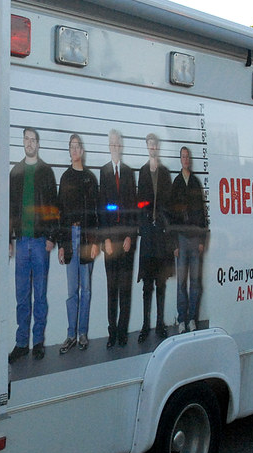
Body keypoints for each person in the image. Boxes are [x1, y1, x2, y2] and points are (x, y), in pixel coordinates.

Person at [8, 127, 58, 362]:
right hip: (21, 242)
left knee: (39, 295)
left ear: (38, 143)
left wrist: (51, 237)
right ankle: (21, 343)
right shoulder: (15, 172)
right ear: (23, 143)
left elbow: (52, 206)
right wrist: (9, 238)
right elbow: (10, 209)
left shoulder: (46, 172)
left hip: (39, 242)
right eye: (26, 139)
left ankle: (37, 341)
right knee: (21, 295)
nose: (29, 143)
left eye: (33, 140)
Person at [57, 134, 100, 353]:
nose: (75, 151)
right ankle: (70, 335)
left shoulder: (91, 179)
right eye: (71, 147)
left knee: (87, 290)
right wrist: (62, 245)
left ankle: (83, 333)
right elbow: (61, 213)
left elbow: (96, 214)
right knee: (72, 291)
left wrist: (95, 242)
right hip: (70, 237)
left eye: (77, 147)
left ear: (82, 151)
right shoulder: (64, 178)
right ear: (70, 151)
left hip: (86, 238)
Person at [98, 129, 137, 348]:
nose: (115, 146)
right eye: (112, 142)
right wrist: (106, 241)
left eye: (118, 142)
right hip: (110, 244)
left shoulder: (130, 173)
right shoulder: (103, 173)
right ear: (109, 146)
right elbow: (102, 209)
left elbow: (133, 208)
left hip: (126, 242)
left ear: (122, 146)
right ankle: (112, 332)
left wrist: (130, 237)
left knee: (125, 289)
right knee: (112, 289)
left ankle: (123, 332)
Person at [137, 133, 173, 342]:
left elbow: (168, 202)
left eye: (155, 145)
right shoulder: (142, 172)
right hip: (147, 236)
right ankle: (145, 325)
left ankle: (160, 324)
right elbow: (139, 201)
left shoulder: (165, 172)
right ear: (147, 147)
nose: (152, 148)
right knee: (146, 284)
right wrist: (144, 220)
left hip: (160, 235)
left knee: (161, 282)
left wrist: (162, 220)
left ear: (158, 147)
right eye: (149, 145)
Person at [171, 146, 208, 333]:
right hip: (181, 240)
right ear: (180, 159)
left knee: (195, 282)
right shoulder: (176, 183)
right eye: (183, 156)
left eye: (187, 157)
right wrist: (174, 244)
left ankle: (192, 318)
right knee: (181, 283)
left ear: (190, 160)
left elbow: (202, 213)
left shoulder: (195, 182)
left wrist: (202, 239)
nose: (186, 159)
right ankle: (181, 320)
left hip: (195, 239)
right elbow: (170, 216)